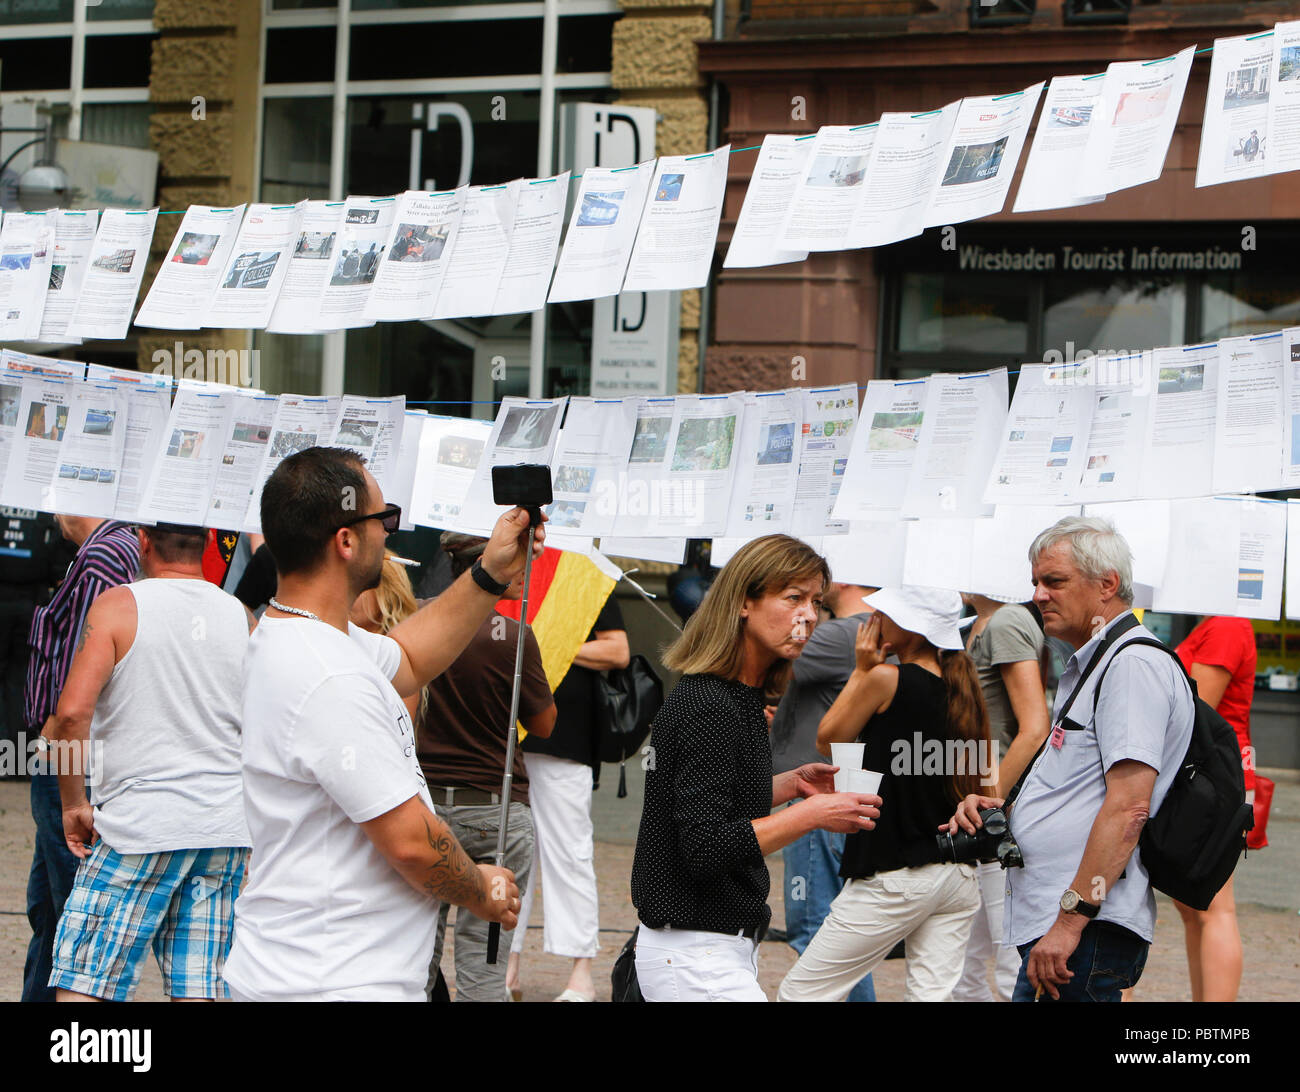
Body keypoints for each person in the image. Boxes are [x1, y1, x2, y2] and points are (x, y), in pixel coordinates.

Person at [223, 446, 538, 1002]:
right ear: (346, 540)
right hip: (334, 981)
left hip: (309, 970)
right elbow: (412, 843)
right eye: (384, 519)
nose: (389, 534)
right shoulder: (329, 674)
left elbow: (410, 658)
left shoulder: (302, 636)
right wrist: (480, 887)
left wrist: (489, 573)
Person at [945, 516, 1193, 1003]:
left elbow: (1128, 810)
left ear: (1108, 585)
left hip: (1081, 930)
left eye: (1054, 581)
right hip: (1062, 926)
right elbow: (1078, 787)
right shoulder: (1094, 661)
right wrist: (1006, 811)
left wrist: (1070, 921)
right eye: (1035, 582)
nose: (1038, 595)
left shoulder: (1132, 664)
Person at [630, 534, 880, 1002]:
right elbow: (704, 845)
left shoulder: (738, 696)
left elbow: (710, 803)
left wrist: (790, 785)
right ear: (744, 602)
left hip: (709, 947)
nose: (808, 614)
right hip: (694, 951)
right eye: (793, 598)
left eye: (816, 602)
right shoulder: (711, 702)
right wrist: (811, 816)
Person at [45, 524, 255, 1001]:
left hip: (139, 827)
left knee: (86, 982)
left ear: (142, 541)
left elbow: (73, 715)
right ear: (206, 543)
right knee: (200, 987)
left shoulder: (119, 606)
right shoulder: (241, 617)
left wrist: (73, 804)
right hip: (222, 830)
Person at [778, 586, 989, 1003]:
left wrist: (861, 670)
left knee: (801, 994)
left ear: (910, 628)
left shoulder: (885, 678)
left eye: (886, 615)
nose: (875, 621)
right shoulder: (963, 687)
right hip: (957, 873)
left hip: (897, 873)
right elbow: (981, 777)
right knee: (932, 998)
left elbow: (828, 739)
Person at [420, 532, 556, 1002]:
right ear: (486, 561)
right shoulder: (513, 636)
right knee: (485, 958)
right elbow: (543, 724)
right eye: (515, 559)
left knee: (417, 952)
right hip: (495, 814)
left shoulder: (419, 620)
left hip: (427, 809)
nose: (522, 569)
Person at [22, 513, 138, 1003]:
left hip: (76, 758)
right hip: (73, 754)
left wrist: (51, 738)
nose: (51, 514)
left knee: (73, 913)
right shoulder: (101, 552)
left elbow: (82, 680)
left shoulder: (105, 556)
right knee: (49, 908)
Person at [509, 588, 628, 1002]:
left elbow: (618, 651)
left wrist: (552, 640)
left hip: (567, 736)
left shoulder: (585, 575)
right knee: (507, 853)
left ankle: (581, 973)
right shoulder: (514, 569)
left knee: (569, 853)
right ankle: (508, 965)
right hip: (507, 732)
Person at [769, 578, 879, 1003]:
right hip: (839, 789)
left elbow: (767, 663)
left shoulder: (838, 632)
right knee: (838, 935)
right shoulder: (875, 630)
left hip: (816, 794)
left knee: (817, 930)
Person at [952, 592, 1049, 1002]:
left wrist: (990, 801)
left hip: (998, 811)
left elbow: (1034, 728)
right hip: (977, 802)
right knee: (963, 962)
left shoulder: (1006, 620)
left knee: (1012, 958)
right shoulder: (974, 623)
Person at [1173, 615, 1256, 1002]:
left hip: (1214, 778)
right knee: (1196, 908)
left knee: (1214, 907)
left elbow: (1197, 707)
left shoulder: (1226, 624)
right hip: (1206, 776)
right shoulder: (1215, 622)